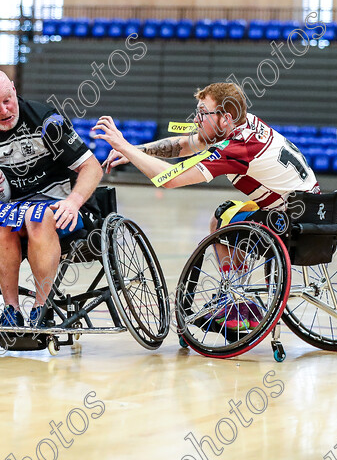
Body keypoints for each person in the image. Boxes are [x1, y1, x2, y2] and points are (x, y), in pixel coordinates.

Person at [94, 82, 320, 329]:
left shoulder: (236, 148)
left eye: (203, 112)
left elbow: (169, 179)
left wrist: (124, 145)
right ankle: (238, 297)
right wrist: (138, 151)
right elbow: (186, 144)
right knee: (225, 214)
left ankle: (237, 299)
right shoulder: (244, 123)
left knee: (223, 217)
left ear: (225, 118)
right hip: (312, 209)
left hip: (288, 221)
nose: (197, 119)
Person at [0, 70, 103, 328]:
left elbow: (92, 167)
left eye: (8, 100)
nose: (4, 110)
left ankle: (41, 308)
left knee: (39, 216)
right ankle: (10, 309)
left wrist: (74, 201)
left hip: (57, 205)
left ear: (13, 89)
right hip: (12, 211)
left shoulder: (46, 121)